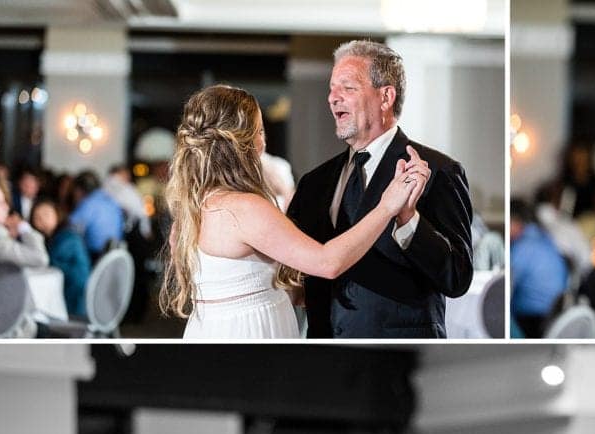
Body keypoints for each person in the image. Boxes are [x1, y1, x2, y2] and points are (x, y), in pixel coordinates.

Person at [159, 83, 428, 339]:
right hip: (252, 333)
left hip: (212, 329)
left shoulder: (192, 210)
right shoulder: (243, 208)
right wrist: (387, 206)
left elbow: (251, 281)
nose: (263, 143)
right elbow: (327, 262)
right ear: (241, 142)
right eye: (260, 131)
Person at [287, 39, 474, 339]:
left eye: (347, 88)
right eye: (332, 88)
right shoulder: (314, 182)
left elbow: (457, 277)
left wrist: (409, 220)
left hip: (394, 352)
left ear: (386, 96)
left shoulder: (439, 171)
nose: (333, 98)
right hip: (323, 353)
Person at [509, 198, 570, 337]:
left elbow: (509, 286)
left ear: (516, 222)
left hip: (531, 319)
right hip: (554, 315)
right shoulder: (547, 238)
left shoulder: (523, 246)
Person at [30, 196, 92, 316]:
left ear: (57, 214)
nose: (42, 219)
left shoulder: (67, 237)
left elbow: (46, 261)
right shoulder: (54, 237)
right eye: (37, 217)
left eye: (46, 214)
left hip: (74, 299)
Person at [70, 170, 125, 262]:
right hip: (115, 256)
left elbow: (70, 228)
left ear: (79, 190)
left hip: (96, 257)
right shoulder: (111, 201)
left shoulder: (88, 203)